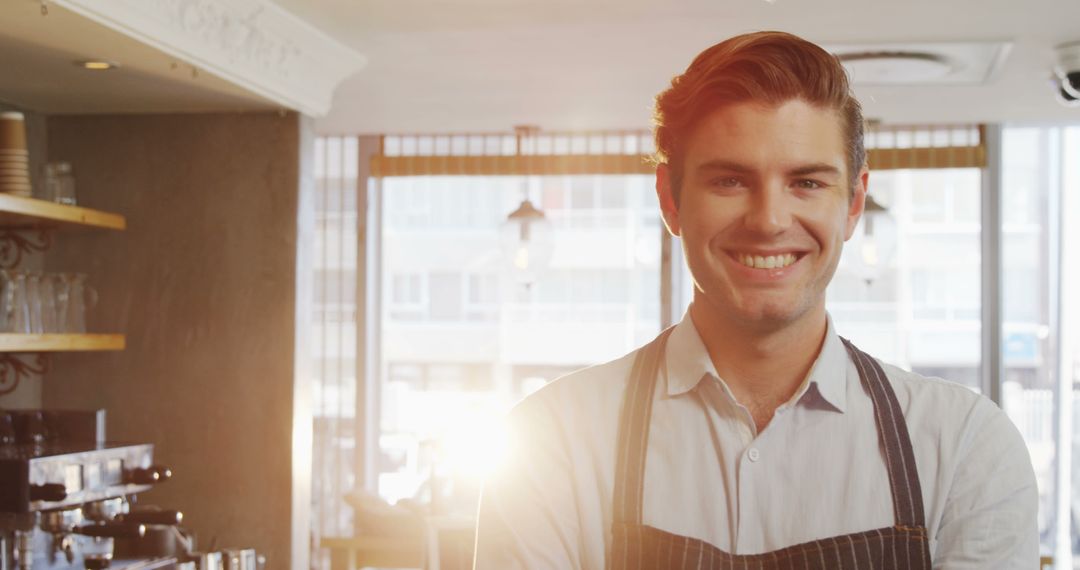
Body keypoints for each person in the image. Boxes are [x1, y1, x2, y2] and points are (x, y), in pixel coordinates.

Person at [473, 31, 1039, 569]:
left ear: (853, 203)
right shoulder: (551, 441)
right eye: (730, 181)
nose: (769, 221)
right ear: (670, 199)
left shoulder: (963, 444)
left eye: (807, 183)